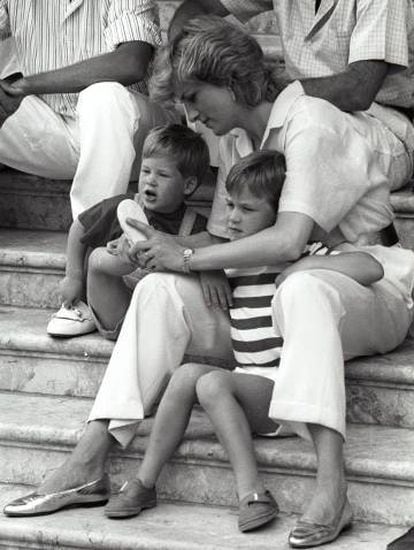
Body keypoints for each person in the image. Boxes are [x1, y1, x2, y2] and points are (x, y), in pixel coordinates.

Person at [4, 18, 414, 550]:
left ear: (237, 84)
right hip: (267, 296)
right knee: (156, 288)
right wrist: (178, 256)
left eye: (197, 98)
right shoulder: (234, 137)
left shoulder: (312, 121)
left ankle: (332, 490)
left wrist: (191, 254)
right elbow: (221, 238)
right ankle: (91, 454)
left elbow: (289, 241)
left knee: (300, 288)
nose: (191, 114)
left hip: (360, 286)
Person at [102, 150, 385, 538]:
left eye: (247, 210)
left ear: (280, 214)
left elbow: (373, 268)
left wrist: (300, 267)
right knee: (185, 376)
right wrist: (202, 266)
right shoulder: (231, 260)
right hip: (247, 387)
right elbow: (174, 261)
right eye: (230, 205)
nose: (232, 218)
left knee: (212, 382)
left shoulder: (303, 252)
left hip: (285, 395)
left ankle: (251, 491)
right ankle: (144, 482)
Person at [169, 0, 414, 199]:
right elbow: (198, 6)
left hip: (382, 126)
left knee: (259, 123)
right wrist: (178, 59)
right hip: (298, 117)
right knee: (241, 130)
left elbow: (359, 89)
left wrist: (272, 94)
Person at [0, 0, 175, 218]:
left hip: (128, 137)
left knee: (103, 95)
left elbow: (130, 63)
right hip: (53, 133)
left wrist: (27, 85)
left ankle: (90, 236)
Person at [47, 124, 210, 339]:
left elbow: (210, 254)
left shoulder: (196, 225)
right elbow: (80, 227)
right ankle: (128, 257)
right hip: (118, 313)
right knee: (102, 257)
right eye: (145, 171)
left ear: (187, 186)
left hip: (160, 321)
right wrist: (73, 277)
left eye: (162, 174)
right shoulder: (124, 207)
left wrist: (209, 271)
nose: (150, 179)